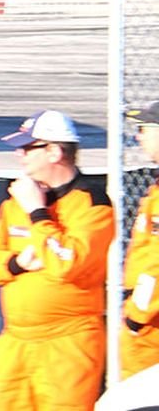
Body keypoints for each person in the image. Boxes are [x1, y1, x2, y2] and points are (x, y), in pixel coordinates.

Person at [0, 110, 115, 411]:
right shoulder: (18, 201)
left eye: (27, 148)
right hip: (15, 342)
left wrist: (38, 212)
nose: (20, 156)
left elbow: (67, 263)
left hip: (68, 343)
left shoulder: (92, 204)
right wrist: (15, 264)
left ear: (54, 151)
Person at [121, 102, 159, 379]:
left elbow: (156, 264)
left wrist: (136, 315)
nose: (138, 136)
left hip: (151, 326)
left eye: (144, 129)